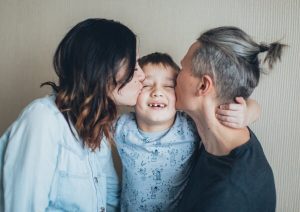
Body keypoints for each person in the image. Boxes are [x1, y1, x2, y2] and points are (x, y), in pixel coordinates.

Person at [0, 18, 145, 212]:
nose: (142, 75)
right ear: (102, 68)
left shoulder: (98, 128)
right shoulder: (42, 120)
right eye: (134, 67)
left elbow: (111, 200)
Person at [114, 52, 261, 211]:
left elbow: (252, 105)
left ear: (177, 93)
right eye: (146, 85)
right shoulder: (122, 126)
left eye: (169, 86)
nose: (157, 92)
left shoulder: (189, 125)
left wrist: (247, 113)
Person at [176, 26, 286, 212]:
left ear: (203, 85)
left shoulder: (226, 196)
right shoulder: (223, 134)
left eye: (181, 68)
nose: (175, 77)